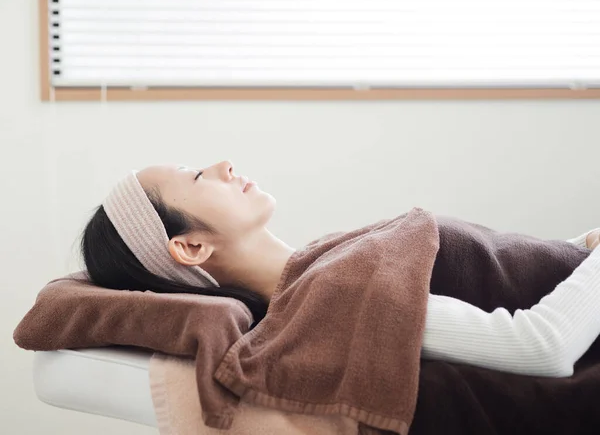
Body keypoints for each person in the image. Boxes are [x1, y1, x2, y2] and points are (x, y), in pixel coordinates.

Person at [81, 160, 600, 378]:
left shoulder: (329, 258)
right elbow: (538, 347)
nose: (223, 165)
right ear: (190, 247)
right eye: (197, 176)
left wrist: (577, 246)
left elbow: (496, 278)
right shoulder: (330, 294)